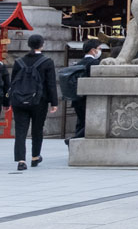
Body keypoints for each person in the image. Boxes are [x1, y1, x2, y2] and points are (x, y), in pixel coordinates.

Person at [10, 33, 57, 170]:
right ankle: (35, 157)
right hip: (39, 101)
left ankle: (21, 160)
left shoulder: (19, 62)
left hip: (19, 100)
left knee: (20, 130)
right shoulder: (47, 62)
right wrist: (54, 103)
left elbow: (13, 82)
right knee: (37, 129)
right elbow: (51, 84)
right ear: (42, 45)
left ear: (28, 44)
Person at [66, 38, 104, 142]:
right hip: (89, 99)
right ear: (93, 50)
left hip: (77, 99)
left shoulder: (78, 63)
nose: (100, 51)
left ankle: (74, 145)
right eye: (99, 49)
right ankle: (73, 140)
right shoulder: (95, 63)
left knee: (80, 123)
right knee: (91, 123)